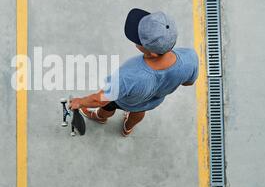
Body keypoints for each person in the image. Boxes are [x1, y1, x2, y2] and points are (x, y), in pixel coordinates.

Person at [69, 8, 199, 137]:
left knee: (108, 107)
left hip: (124, 100)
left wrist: (79, 102)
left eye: (139, 38)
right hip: (151, 101)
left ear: (152, 53)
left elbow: (100, 100)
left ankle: (100, 117)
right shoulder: (190, 58)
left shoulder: (128, 76)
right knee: (138, 110)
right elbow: (188, 82)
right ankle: (127, 128)